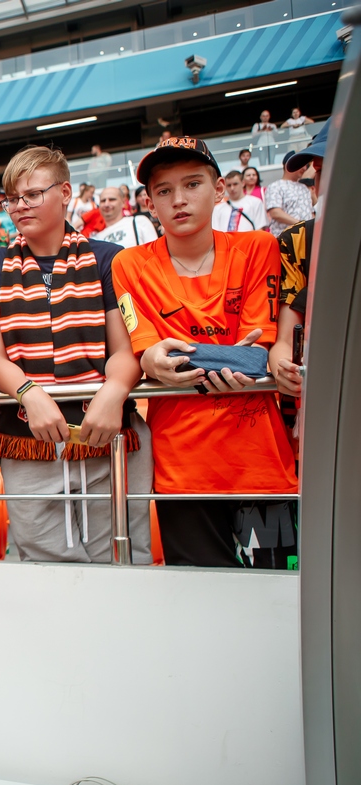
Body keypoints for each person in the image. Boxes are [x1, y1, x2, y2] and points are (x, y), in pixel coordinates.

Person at [111, 136, 297, 568]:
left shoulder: (257, 248)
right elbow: (151, 354)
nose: (178, 200)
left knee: (275, 606)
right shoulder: (129, 265)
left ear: (218, 190)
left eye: (192, 184)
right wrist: (150, 360)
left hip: (259, 466)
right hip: (183, 471)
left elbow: (254, 356)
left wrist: (167, 359)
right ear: (150, 203)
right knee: (201, 609)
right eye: (163, 190)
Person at [0, 145, 152, 564]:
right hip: (26, 437)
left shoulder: (109, 257)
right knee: (43, 563)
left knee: (124, 559)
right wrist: (32, 395)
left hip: (108, 433)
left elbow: (125, 349)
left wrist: (113, 393)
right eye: (12, 198)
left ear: (66, 192)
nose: (20, 206)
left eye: (33, 194)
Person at [270, 122, 330, 424]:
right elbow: (285, 337)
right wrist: (283, 366)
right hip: (322, 398)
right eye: (318, 171)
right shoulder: (296, 241)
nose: (322, 182)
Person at [265, 151, 313, 238]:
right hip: (286, 240)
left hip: (306, 237)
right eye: (300, 164)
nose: (304, 168)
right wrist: (300, 224)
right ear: (288, 164)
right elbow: (275, 213)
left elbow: (311, 212)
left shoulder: (304, 188)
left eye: (305, 165)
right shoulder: (276, 186)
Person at [90, 186, 157, 246]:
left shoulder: (139, 221)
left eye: (112, 199)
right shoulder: (96, 238)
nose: (106, 204)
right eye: (103, 201)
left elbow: (155, 250)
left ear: (123, 202)